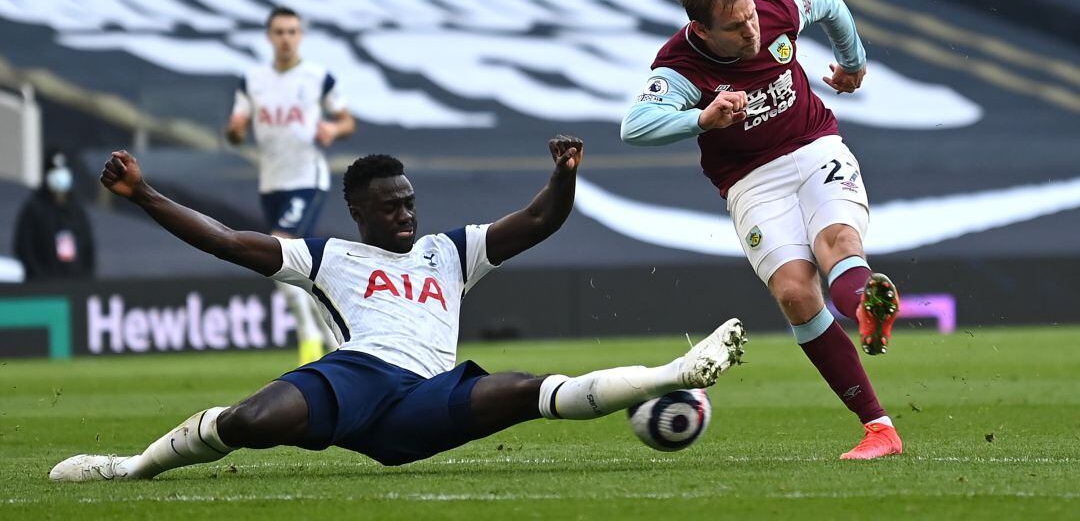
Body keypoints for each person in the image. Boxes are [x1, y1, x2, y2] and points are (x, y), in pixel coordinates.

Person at [49, 136, 747, 481]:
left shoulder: (449, 251)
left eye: (410, 201)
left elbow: (537, 222)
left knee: (524, 391)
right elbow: (229, 241)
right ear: (359, 211)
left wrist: (562, 177)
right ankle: (132, 467)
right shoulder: (328, 257)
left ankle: (673, 372)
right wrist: (144, 195)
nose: (407, 213)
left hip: (426, 397)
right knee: (250, 422)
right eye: (391, 206)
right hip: (355, 376)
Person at [620, 0, 901, 460]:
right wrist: (701, 118)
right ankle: (879, 429)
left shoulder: (775, 7)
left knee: (836, 242)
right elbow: (636, 126)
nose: (752, 30)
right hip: (752, 179)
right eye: (735, 26)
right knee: (794, 292)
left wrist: (852, 61)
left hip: (816, 147)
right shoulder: (681, 66)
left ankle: (865, 307)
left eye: (751, 16)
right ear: (701, 30)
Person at [226, 6, 357, 366]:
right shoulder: (252, 80)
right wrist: (236, 131)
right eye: (280, 32)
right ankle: (335, 338)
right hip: (272, 182)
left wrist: (333, 129)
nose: (286, 39)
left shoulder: (318, 78)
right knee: (295, 264)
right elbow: (236, 128)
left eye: (292, 32)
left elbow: (347, 121)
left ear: (301, 36)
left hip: (307, 179)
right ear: (269, 37)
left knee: (280, 248)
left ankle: (310, 338)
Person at [13, 149, 95, 281]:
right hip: (44, 285)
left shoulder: (76, 209)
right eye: (55, 172)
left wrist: (85, 277)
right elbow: (24, 248)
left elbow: (88, 248)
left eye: (63, 172)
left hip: (75, 283)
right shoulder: (34, 208)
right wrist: (40, 278)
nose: (60, 177)